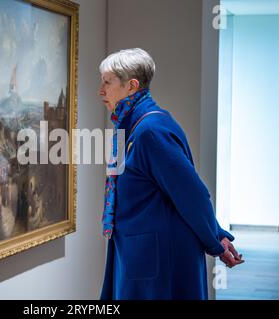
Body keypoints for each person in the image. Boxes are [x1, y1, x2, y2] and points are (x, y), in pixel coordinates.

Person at [98, 48, 244, 300]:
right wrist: (216, 234)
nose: (101, 91)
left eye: (107, 82)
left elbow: (192, 194)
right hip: (142, 251)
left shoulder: (150, 132)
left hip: (158, 261)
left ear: (131, 86)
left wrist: (215, 239)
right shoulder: (135, 126)